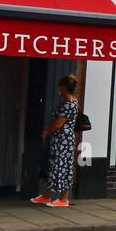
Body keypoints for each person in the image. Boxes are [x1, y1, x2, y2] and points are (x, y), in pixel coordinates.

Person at [31, 75, 80, 208]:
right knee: (58, 166)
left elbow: (58, 124)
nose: (58, 89)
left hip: (62, 140)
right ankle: (47, 195)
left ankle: (63, 199)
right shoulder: (73, 101)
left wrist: (46, 132)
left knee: (59, 166)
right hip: (65, 139)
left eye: (60, 87)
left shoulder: (68, 104)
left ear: (64, 88)